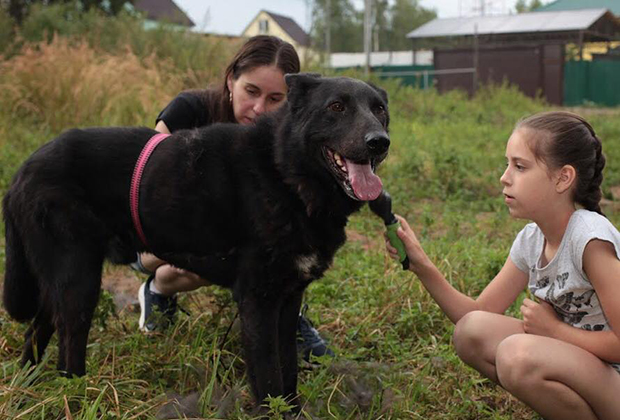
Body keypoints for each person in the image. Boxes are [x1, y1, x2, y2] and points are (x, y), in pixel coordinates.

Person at [386, 111, 620, 420]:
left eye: (520, 167)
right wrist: (422, 265)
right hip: (583, 364)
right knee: (471, 333)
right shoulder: (531, 240)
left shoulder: (590, 239)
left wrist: (554, 331)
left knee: (516, 356)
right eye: (507, 164)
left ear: (563, 178)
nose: (504, 177)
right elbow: (476, 312)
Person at [134, 35, 334, 361]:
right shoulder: (188, 111)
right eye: (251, 91)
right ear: (231, 80)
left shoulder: (288, 136)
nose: (259, 109)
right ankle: (158, 290)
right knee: (215, 250)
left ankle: (290, 319)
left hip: (239, 240)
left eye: (275, 99)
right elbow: (145, 189)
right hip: (156, 238)